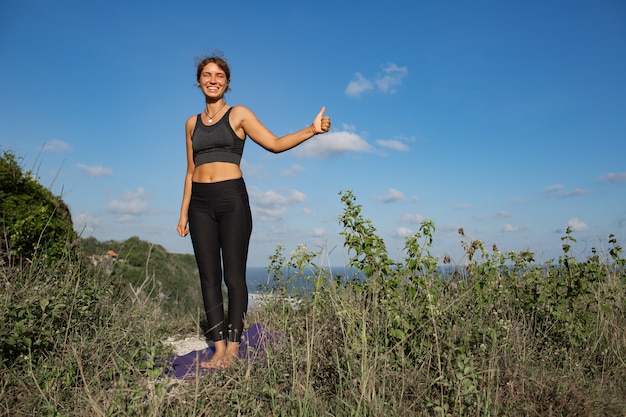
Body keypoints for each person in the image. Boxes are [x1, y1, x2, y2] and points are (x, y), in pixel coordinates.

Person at [176, 55, 331, 369]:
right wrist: (183, 214)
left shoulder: (239, 114)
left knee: (233, 277)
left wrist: (311, 131)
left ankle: (233, 349)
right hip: (200, 205)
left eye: (219, 75)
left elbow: (273, 144)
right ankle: (218, 349)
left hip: (232, 199)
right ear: (199, 80)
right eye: (207, 75)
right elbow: (191, 171)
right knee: (208, 277)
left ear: (227, 82)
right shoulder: (191, 123)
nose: (213, 79)